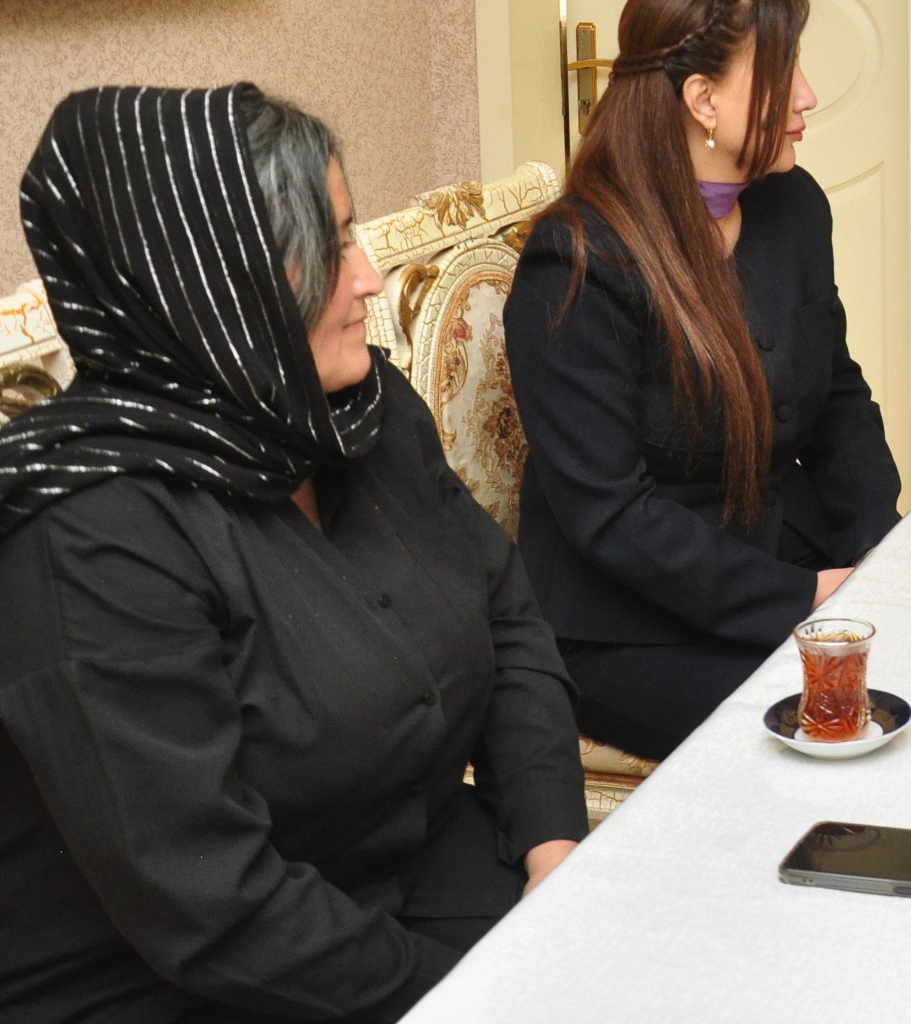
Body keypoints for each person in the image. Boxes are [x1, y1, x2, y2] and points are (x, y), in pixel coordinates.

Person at [0, 84, 588, 1023]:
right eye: (329, 246)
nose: (370, 277)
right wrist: (478, 996)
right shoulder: (90, 536)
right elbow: (213, 907)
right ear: (208, 282)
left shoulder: (357, 412)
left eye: (352, 232)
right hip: (186, 977)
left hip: (401, 869)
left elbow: (506, 616)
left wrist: (553, 845)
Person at [508, 0, 904, 761]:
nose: (808, 96)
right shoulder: (578, 261)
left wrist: (880, 549)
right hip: (630, 625)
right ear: (703, 100)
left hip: (783, 551)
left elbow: (838, 395)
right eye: (785, 73)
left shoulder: (792, 206)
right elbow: (612, 516)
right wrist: (805, 595)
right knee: (840, 723)